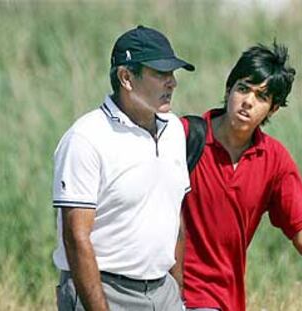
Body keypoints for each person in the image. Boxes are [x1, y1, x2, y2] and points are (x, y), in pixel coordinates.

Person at [181, 41, 302, 311]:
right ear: (229, 89)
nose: (248, 101)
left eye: (261, 97)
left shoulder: (273, 160)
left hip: (224, 298)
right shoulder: (184, 136)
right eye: (243, 88)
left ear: (273, 109)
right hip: (170, 292)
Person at [52, 25, 194, 311]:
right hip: (103, 292)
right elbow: (76, 236)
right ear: (126, 77)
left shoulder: (175, 130)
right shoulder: (85, 138)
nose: (172, 83)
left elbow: (174, 216)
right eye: (160, 74)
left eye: (173, 74)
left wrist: (176, 289)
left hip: (163, 293)